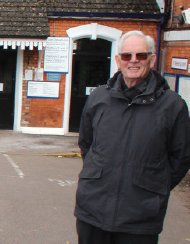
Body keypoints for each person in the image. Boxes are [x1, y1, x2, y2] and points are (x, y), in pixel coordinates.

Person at [75, 30, 190, 244]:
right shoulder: (99, 98)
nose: (133, 61)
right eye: (127, 56)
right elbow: (87, 145)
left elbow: (180, 158)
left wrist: (153, 185)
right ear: (118, 60)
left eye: (141, 55)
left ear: (152, 59)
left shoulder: (173, 105)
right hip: (93, 210)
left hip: (140, 218)